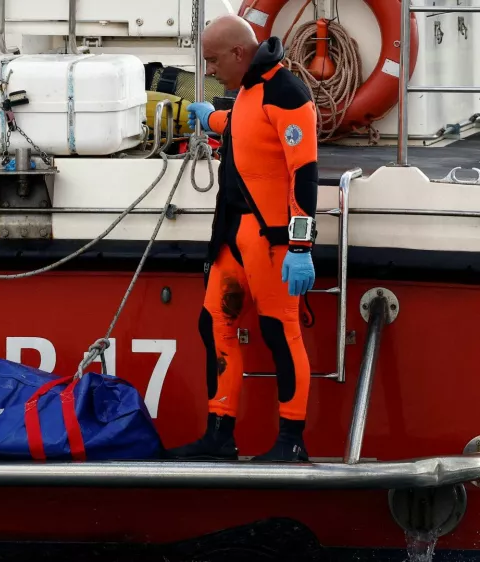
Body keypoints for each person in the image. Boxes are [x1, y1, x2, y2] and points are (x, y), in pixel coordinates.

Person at [167, 14, 319, 463]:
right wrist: (212, 118)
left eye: (213, 61)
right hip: (233, 236)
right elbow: (246, 125)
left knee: (279, 331)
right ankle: (219, 434)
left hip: (272, 242)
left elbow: (304, 174)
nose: (209, 71)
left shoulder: (288, 94)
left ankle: (291, 440)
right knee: (213, 324)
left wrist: (301, 246)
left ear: (238, 53)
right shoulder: (252, 92)